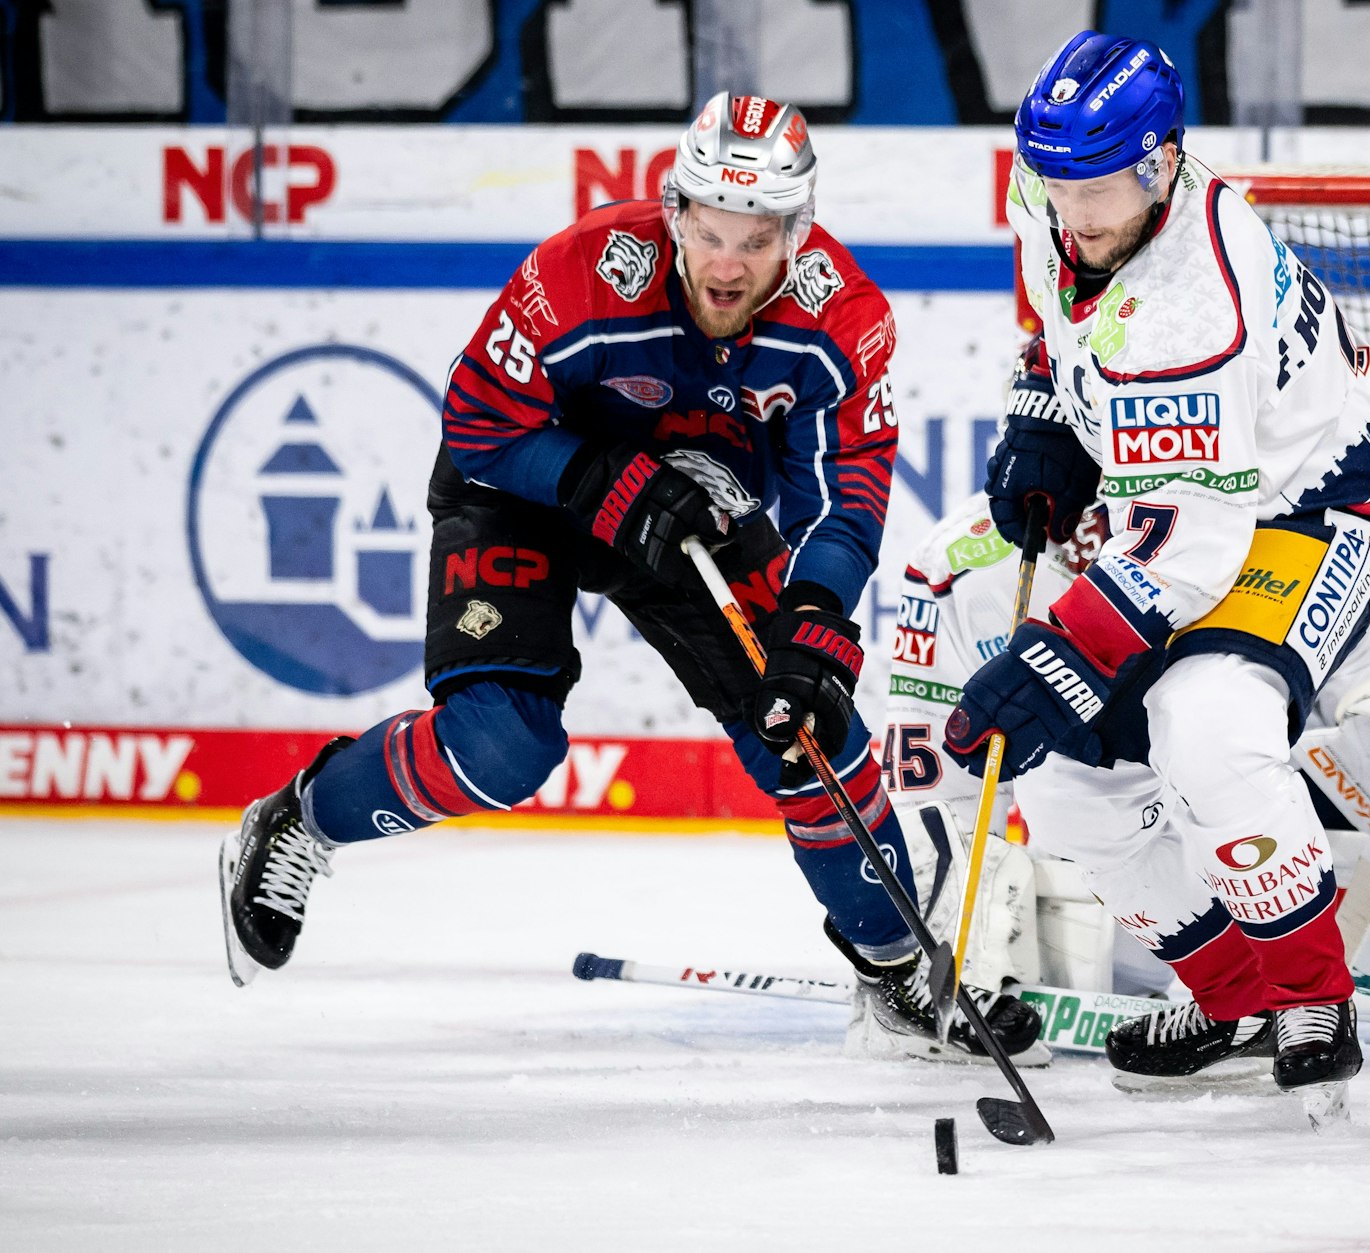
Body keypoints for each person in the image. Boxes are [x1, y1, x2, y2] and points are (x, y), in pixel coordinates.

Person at [218, 92, 1042, 1065]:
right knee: (499, 746)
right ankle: (303, 814)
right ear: (674, 210)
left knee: (807, 730)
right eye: (709, 229)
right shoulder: (578, 273)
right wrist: (598, 478)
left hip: (694, 515)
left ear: (797, 233)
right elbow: (478, 425)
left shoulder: (840, 318)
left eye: (757, 237)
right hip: (527, 485)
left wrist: (816, 616)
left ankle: (897, 962)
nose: (727, 263)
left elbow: (843, 502)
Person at [940, 31, 1370, 1096]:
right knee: (1065, 789)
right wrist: (1045, 409)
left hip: (1312, 510)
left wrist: (1046, 662)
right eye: (1055, 181)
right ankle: (1233, 992)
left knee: (1206, 727)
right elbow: (1061, 315)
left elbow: (1185, 557)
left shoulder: (1194, 306)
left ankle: (1308, 999)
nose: (1071, 210)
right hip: (1197, 497)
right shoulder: (1055, 193)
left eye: (1096, 185)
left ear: (1158, 163)